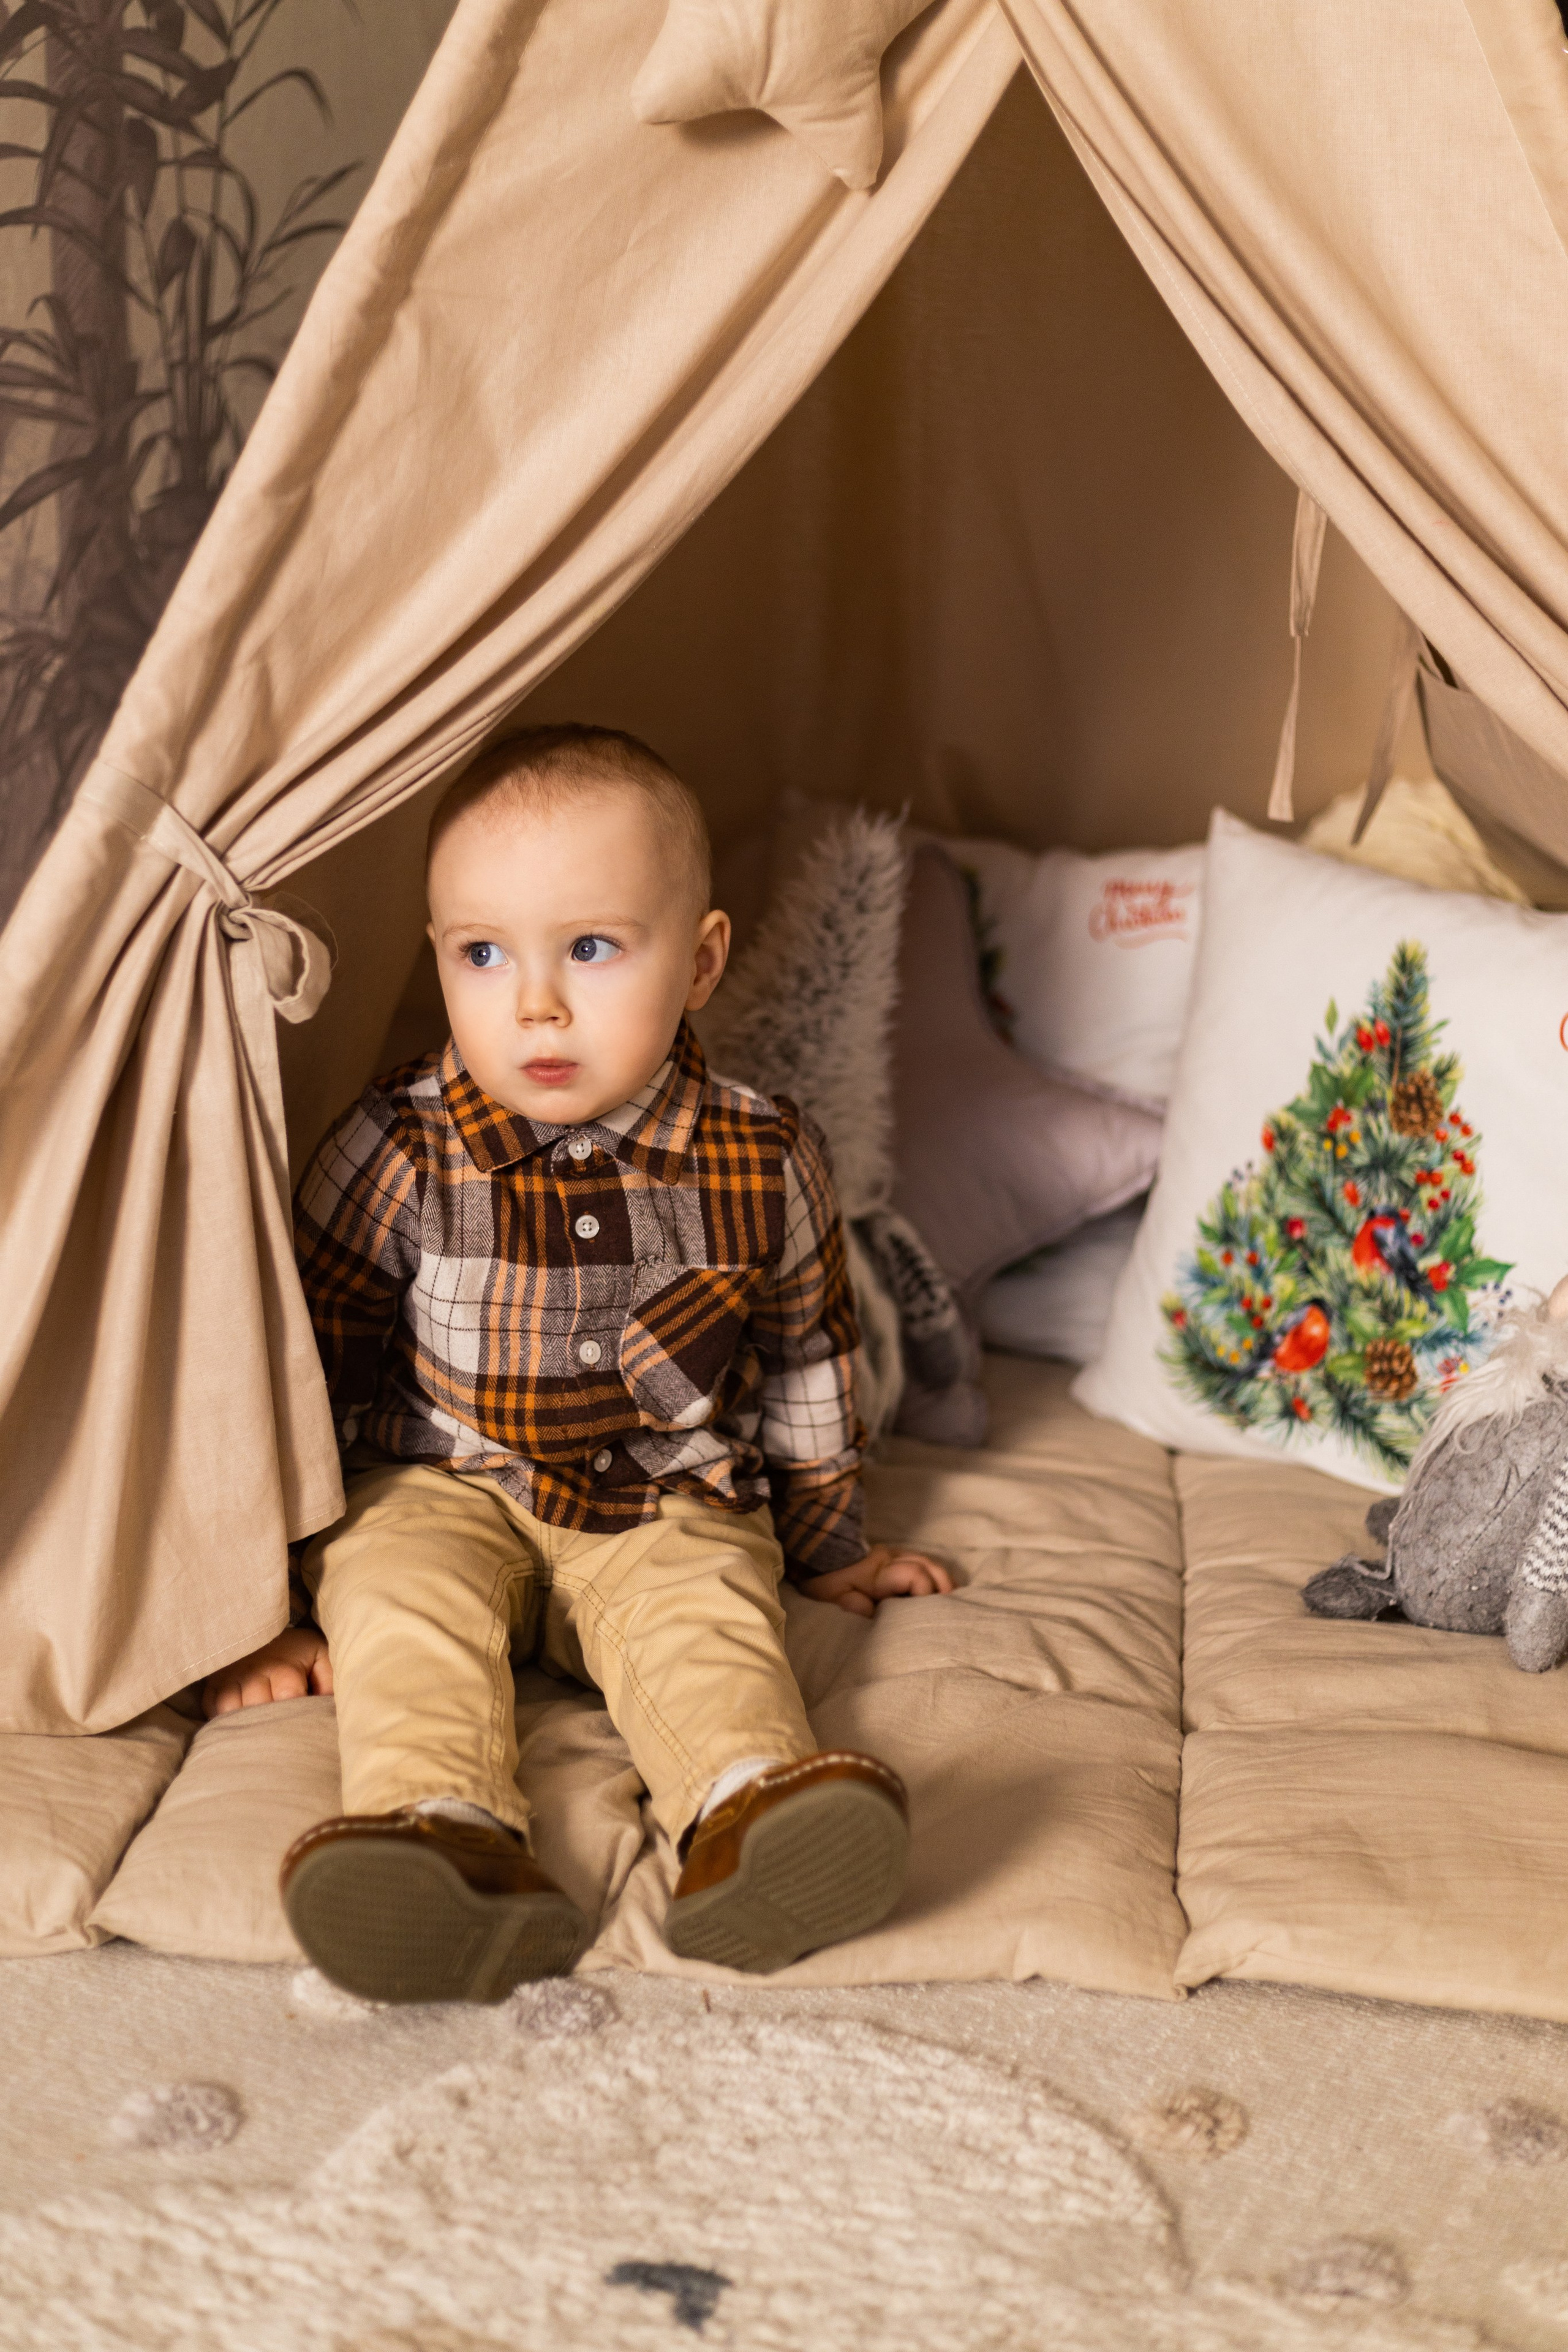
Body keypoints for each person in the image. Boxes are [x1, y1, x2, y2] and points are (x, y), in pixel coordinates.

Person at [205, 724, 951, 2002]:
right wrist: (259, 1600)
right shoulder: (397, 1143)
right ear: (438, 955)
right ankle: (442, 1838)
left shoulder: (763, 1154)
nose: (534, 1004)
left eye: (591, 949)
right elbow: (305, 1368)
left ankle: (751, 1815)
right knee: (400, 1606)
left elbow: (808, 1357)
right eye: (482, 954)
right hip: (438, 1482)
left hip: (661, 1495)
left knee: (710, 1618)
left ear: (700, 961)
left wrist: (831, 1544)